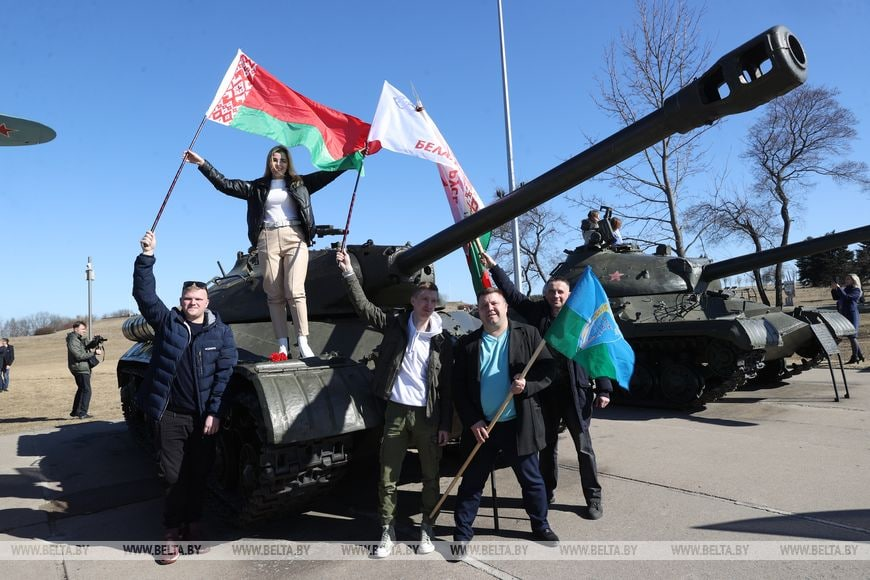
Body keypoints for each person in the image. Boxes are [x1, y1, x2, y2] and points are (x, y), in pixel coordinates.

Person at [335, 249, 452, 558]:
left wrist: (445, 423)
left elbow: (448, 385)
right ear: (412, 301)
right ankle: (387, 529)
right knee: (388, 476)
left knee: (431, 475)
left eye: (432, 300)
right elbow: (363, 308)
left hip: (427, 414)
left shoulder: (442, 339)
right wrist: (349, 271)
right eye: (423, 299)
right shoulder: (395, 325)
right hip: (397, 411)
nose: (428, 304)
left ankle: (428, 526)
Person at [480, 252, 613, 520]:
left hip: (576, 392)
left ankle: (593, 498)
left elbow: (597, 352)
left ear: (569, 294)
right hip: (545, 392)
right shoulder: (538, 313)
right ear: (546, 294)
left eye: (561, 292)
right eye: (551, 291)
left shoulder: (581, 317)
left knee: (583, 447)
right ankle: (547, 492)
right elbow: (513, 295)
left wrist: (604, 388)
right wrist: (494, 267)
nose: (556, 296)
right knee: (547, 445)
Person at [133, 230, 238, 565]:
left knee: (199, 474)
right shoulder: (168, 324)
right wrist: (147, 257)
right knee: (172, 476)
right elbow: (144, 295)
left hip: (203, 418)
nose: (192, 304)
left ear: (208, 303)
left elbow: (224, 375)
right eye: (187, 299)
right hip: (171, 415)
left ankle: (192, 525)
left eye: (198, 299)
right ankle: (170, 534)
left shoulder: (221, 333)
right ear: (181, 302)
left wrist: (215, 412)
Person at [184, 146, 344, 359]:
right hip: (267, 238)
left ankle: (303, 342)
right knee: (274, 293)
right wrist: (202, 163)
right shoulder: (256, 187)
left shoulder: (301, 183)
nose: (279, 164)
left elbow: (328, 174)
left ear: (289, 163)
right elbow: (225, 184)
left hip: (295, 236)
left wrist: (351, 160)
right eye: (275, 160)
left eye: (283, 160)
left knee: (295, 290)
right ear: (269, 162)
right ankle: (282, 345)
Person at [452, 288, 558, 546]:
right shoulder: (468, 344)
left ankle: (540, 526)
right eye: (484, 305)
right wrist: (473, 420)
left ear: (506, 306)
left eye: (495, 303)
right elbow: (458, 388)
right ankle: (463, 533)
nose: (490, 308)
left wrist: (528, 386)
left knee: (531, 481)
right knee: (471, 483)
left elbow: (548, 368)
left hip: (517, 423)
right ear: (478, 311)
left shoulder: (528, 334)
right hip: (482, 426)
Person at [66, 322, 102, 418]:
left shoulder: (79, 338)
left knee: (82, 389)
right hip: (79, 368)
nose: (84, 331)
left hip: (82, 367)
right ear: (75, 329)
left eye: (85, 329)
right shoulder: (72, 339)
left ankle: (75, 411)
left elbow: (87, 346)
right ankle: (82, 413)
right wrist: (94, 353)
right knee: (87, 390)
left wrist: (96, 341)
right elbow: (78, 356)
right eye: (83, 329)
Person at [832, 274, 864, 364]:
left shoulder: (856, 290)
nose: (846, 280)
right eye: (846, 279)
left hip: (852, 314)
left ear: (854, 280)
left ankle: (855, 357)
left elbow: (847, 298)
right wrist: (834, 288)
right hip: (844, 315)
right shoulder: (845, 289)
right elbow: (836, 297)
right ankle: (860, 355)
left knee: (852, 336)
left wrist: (839, 288)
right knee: (851, 336)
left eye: (848, 279)